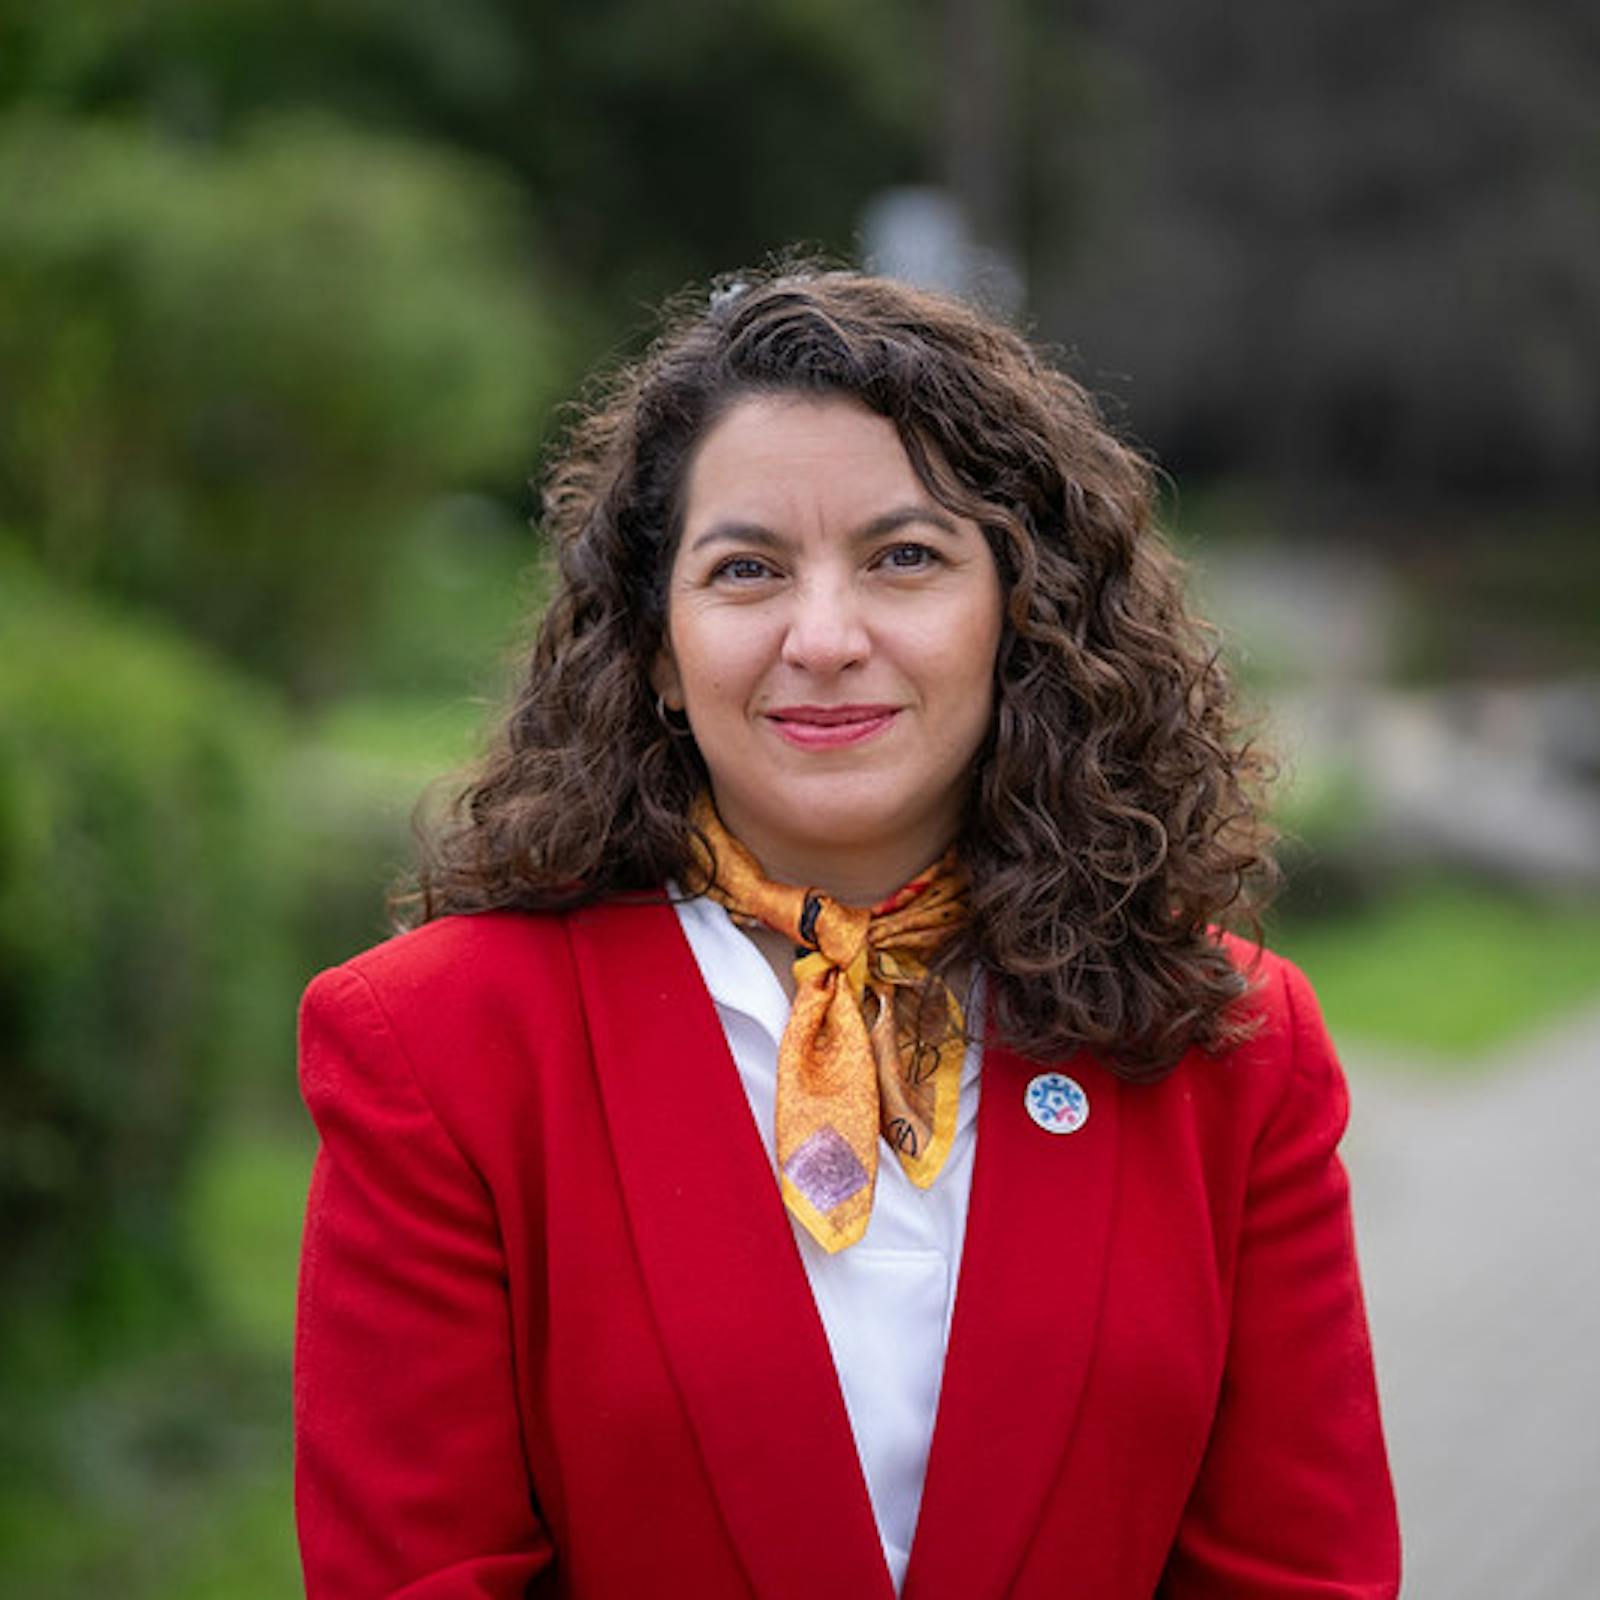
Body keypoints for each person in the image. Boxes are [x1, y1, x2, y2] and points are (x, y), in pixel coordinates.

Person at [294, 266, 1401, 1599]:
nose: (824, 637)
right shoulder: (436, 1048)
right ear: (657, 643)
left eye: (906, 559)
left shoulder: (1236, 1046)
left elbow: (1300, 1576)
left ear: (1021, 614)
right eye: (747, 569)